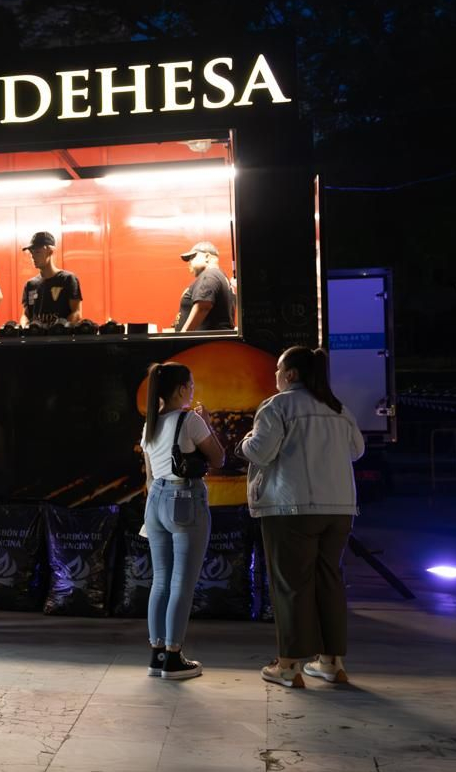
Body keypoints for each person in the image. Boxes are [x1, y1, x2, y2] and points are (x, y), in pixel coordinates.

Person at [240, 346, 365, 689]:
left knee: (291, 585)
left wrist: (245, 442)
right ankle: (331, 663)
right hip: (339, 509)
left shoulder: (277, 406)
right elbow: (357, 451)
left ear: (291, 374)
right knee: (329, 582)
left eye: (278, 370)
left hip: (291, 508)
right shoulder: (338, 408)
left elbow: (260, 452)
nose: (275, 375)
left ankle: (288, 666)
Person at [139, 363, 226, 679]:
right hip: (185, 500)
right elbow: (218, 458)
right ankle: (174, 658)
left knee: (161, 581)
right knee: (182, 583)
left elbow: (150, 476)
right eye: (190, 385)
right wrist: (207, 424)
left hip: (155, 501)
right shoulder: (190, 420)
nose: (192, 390)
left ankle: (158, 655)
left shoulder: (149, 425)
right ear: (180, 389)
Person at [20, 231, 83, 325]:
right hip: (36, 334)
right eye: (31, 252)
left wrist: (61, 329)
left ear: (50, 252)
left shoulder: (68, 279)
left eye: (37, 252)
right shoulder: (30, 285)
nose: (33, 256)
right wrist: (25, 327)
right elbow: (25, 315)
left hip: (60, 334)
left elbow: (76, 313)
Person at [175, 241, 237, 332]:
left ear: (207, 257)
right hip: (211, 339)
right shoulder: (221, 277)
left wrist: (183, 336)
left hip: (203, 341)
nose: (189, 263)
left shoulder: (209, 275)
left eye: (192, 258)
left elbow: (203, 307)